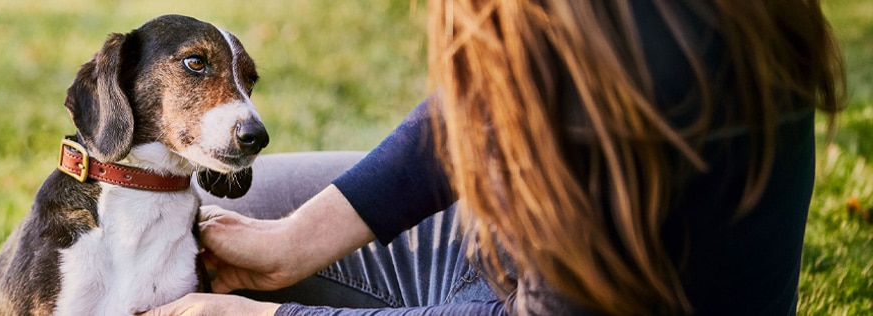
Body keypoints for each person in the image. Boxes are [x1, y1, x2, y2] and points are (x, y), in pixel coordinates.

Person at [144, 0, 844, 315]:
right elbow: (483, 103)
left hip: (536, 301)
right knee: (165, 225)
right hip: (493, 248)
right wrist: (296, 242)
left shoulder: (645, 71)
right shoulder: (573, 26)